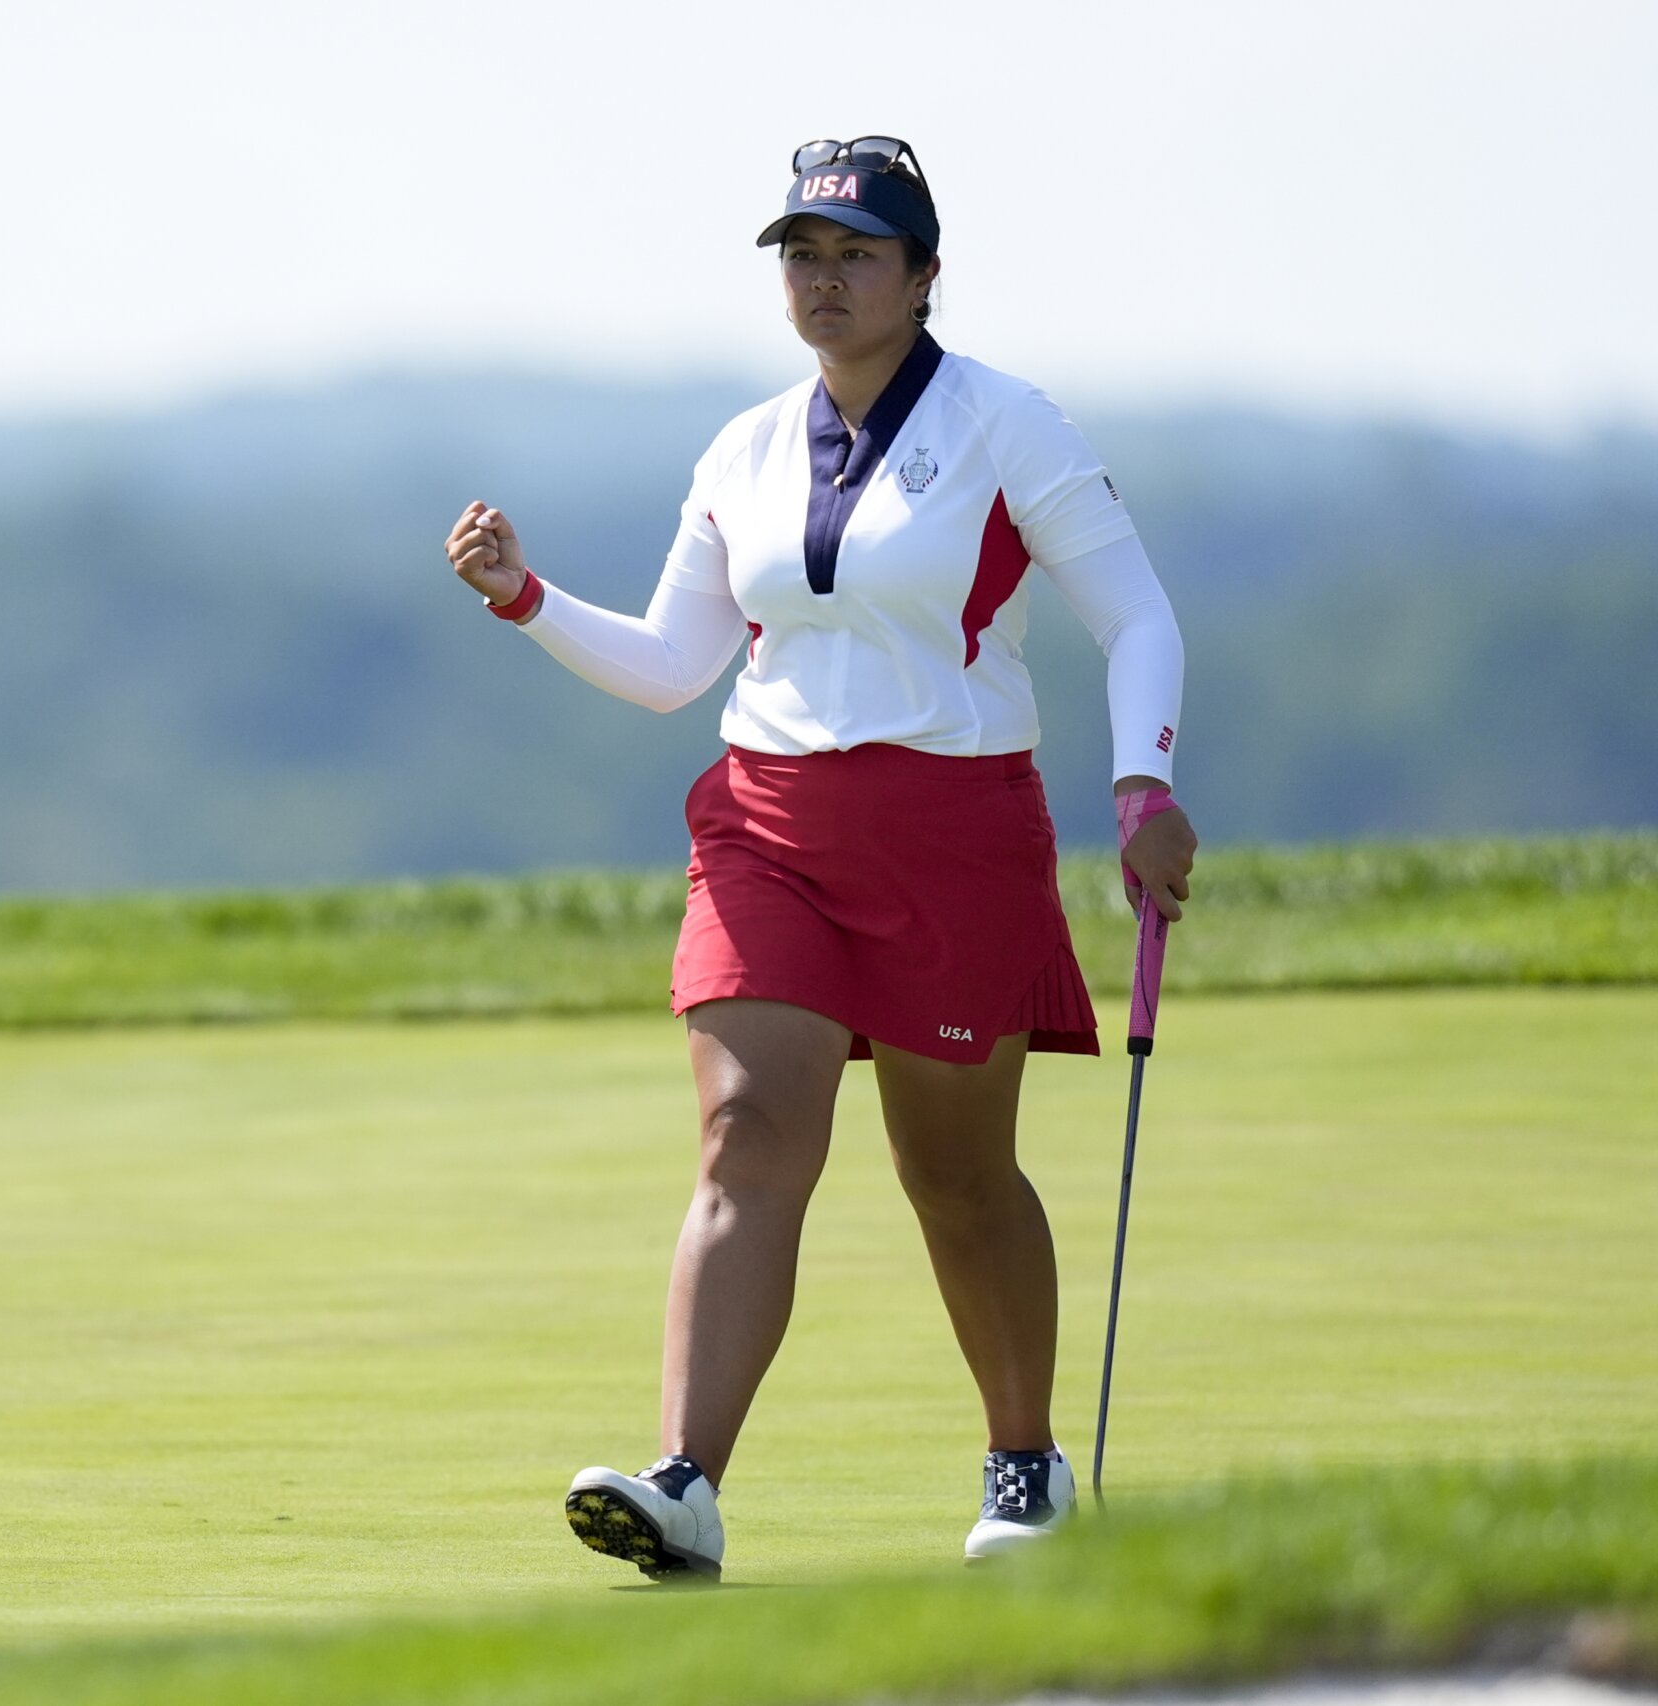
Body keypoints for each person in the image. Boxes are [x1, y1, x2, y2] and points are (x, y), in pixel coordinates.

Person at [440, 136, 1199, 1578]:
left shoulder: (1006, 425)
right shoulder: (743, 447)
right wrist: (525, 597)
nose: (826, 278)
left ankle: (1025, 1465)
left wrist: (1144, 781)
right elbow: (677, 665)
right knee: (745, 1136)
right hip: (768, 826)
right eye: (803, 253)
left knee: (956, 1175)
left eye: (858, 253)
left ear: (922, 277)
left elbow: (1137, 617)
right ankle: (687, 1483)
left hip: (956, 835)